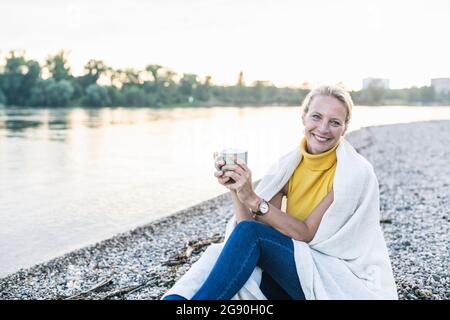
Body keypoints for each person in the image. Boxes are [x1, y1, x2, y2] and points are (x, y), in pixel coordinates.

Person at [162, 85, 398, 300]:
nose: (323, 128)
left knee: (230, 259)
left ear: (345, 127)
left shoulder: (353, 173)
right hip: (296, 274)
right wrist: (237, 190)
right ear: (303, 116)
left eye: (335, 122)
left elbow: (304, 233)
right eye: (316, 117)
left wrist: (253, 198)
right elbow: (249, 230)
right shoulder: (290, 165)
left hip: (335, 280)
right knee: (217, 256)